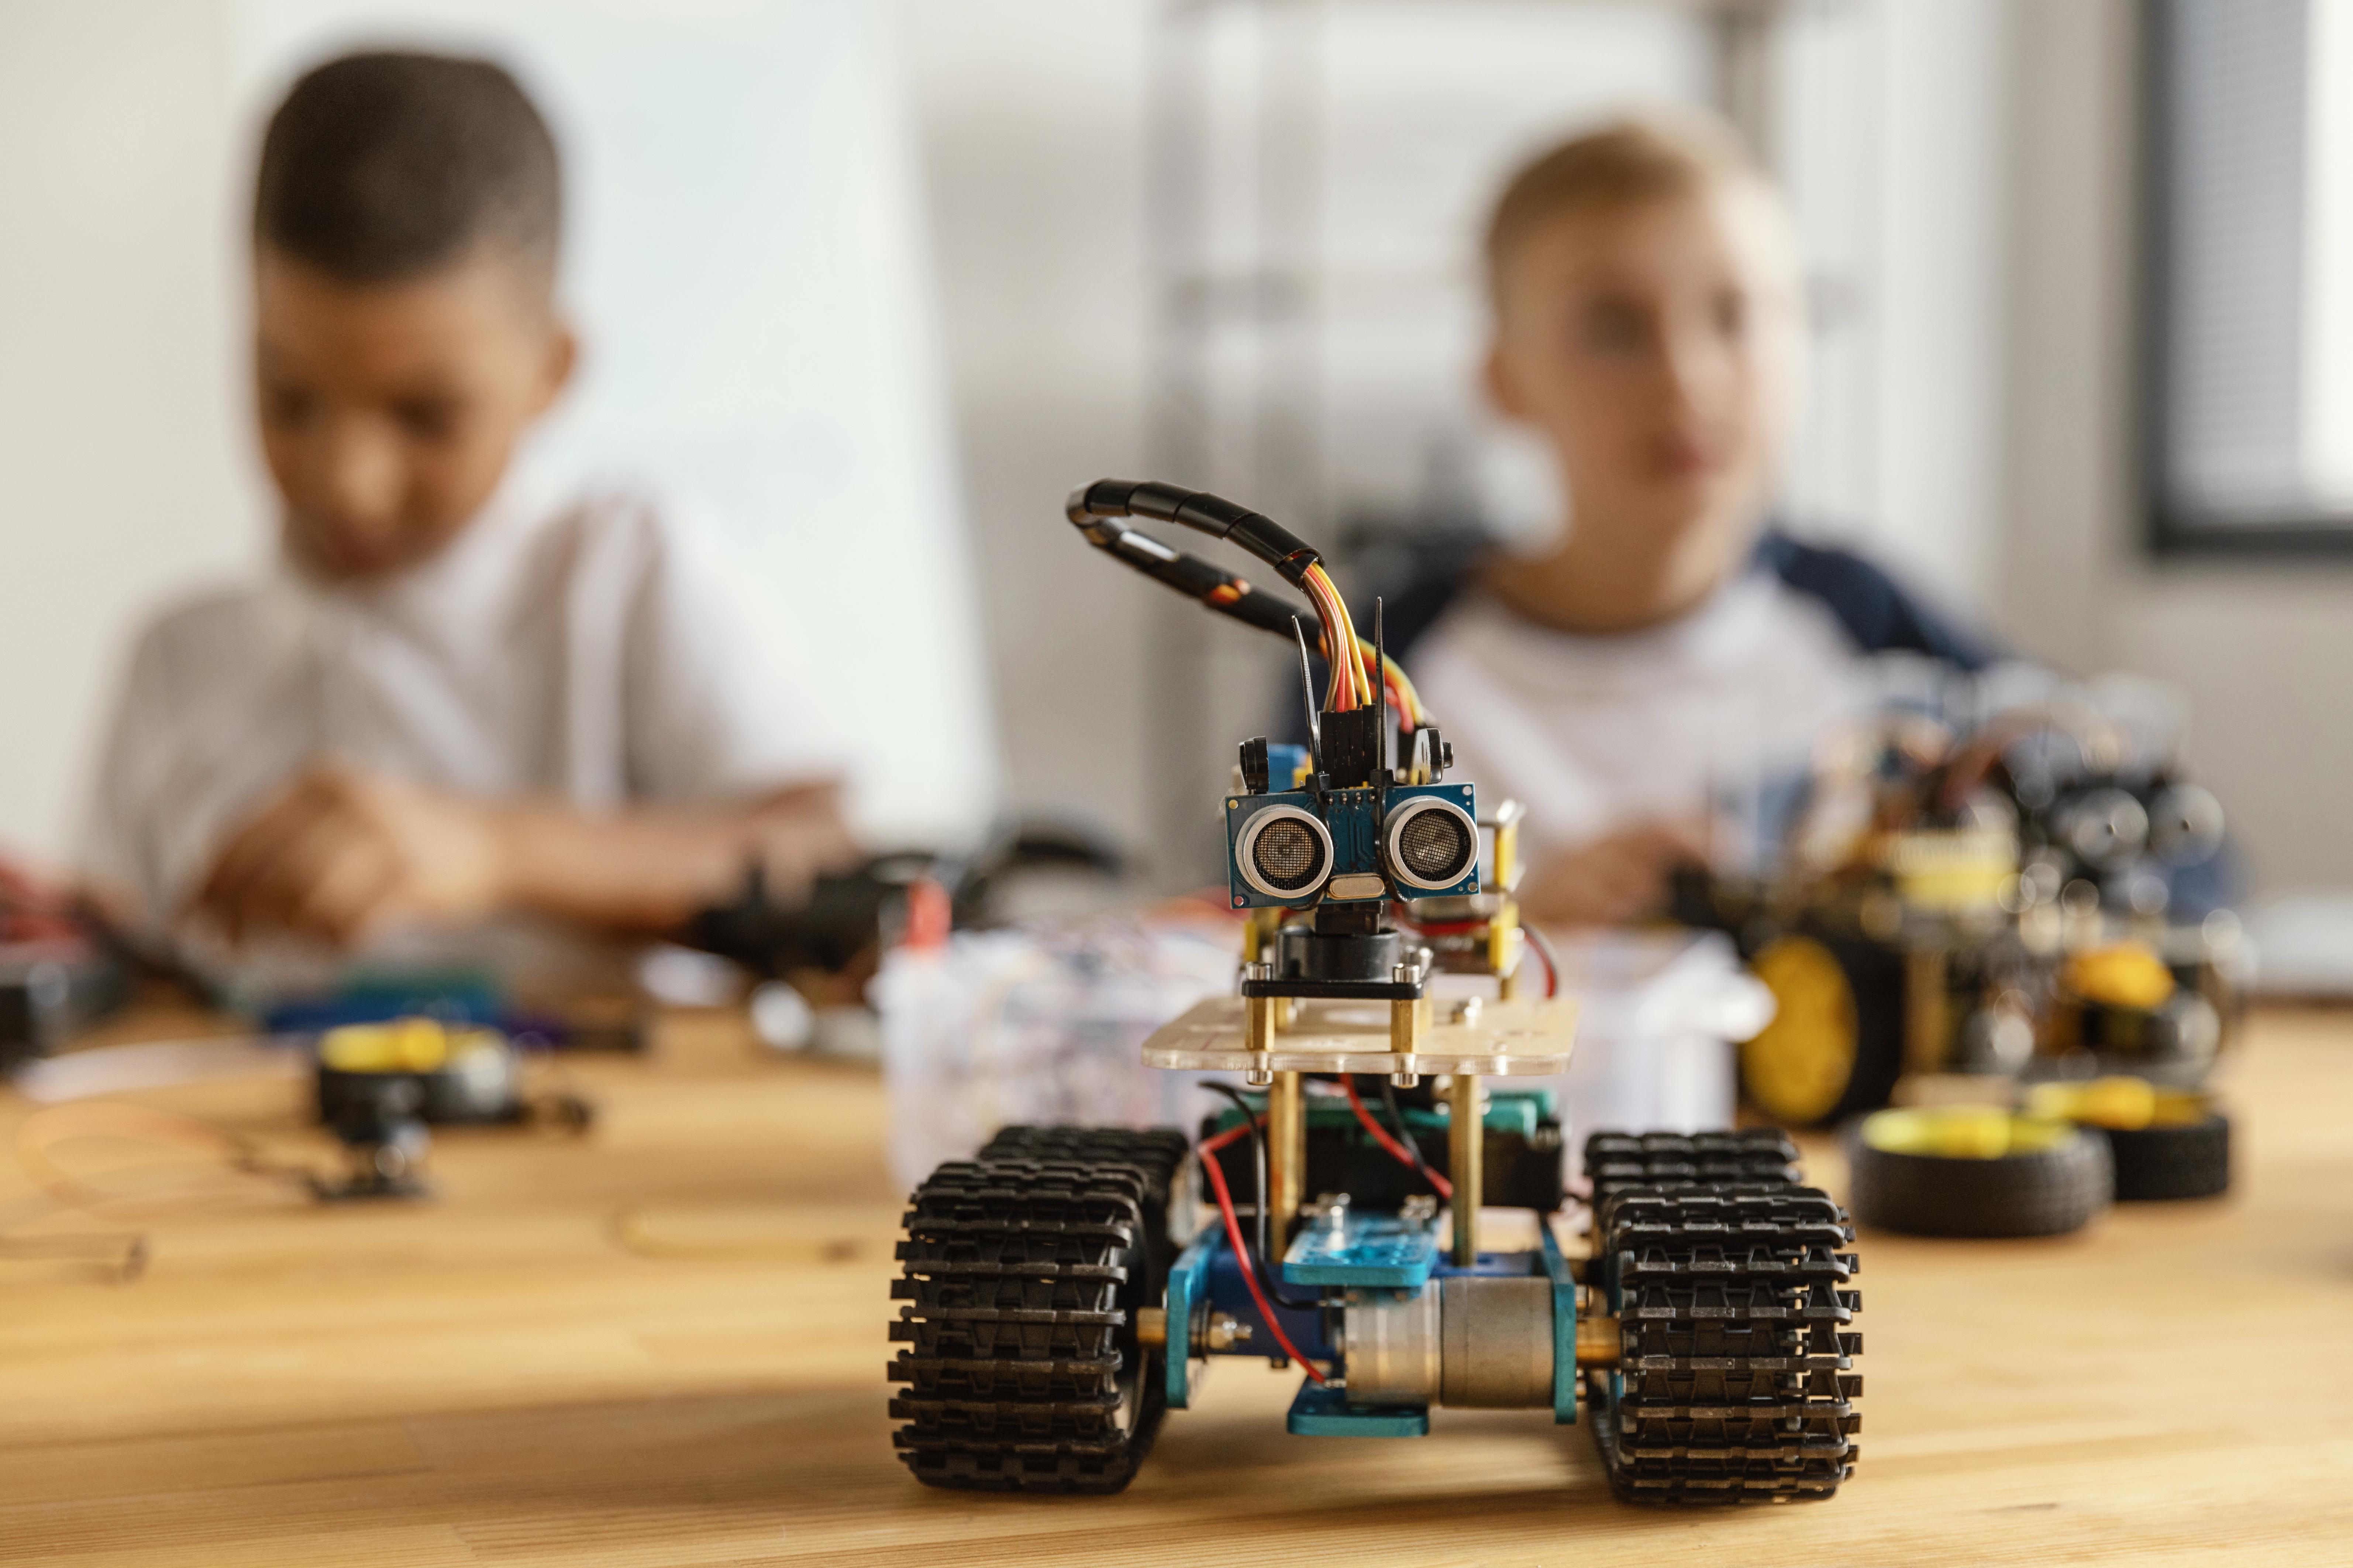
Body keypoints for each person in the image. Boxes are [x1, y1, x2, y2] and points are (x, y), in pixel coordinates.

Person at [81, 51, 854, 970]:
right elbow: (115, 958)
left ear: (550, 370)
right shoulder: (176, 660)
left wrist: (494, 849)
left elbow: (828, 863)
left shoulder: (628, 573)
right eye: (289, 396)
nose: (349, 479)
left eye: (426, 416)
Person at [1393, 112, 1987, 928]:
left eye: (1734, 315)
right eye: (1613, 328)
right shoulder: (1386, 661)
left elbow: (2161, 856)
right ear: (1505, 380)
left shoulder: (1866, 617)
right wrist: (1502, 934)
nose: (1687, 378)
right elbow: (1258, 944)